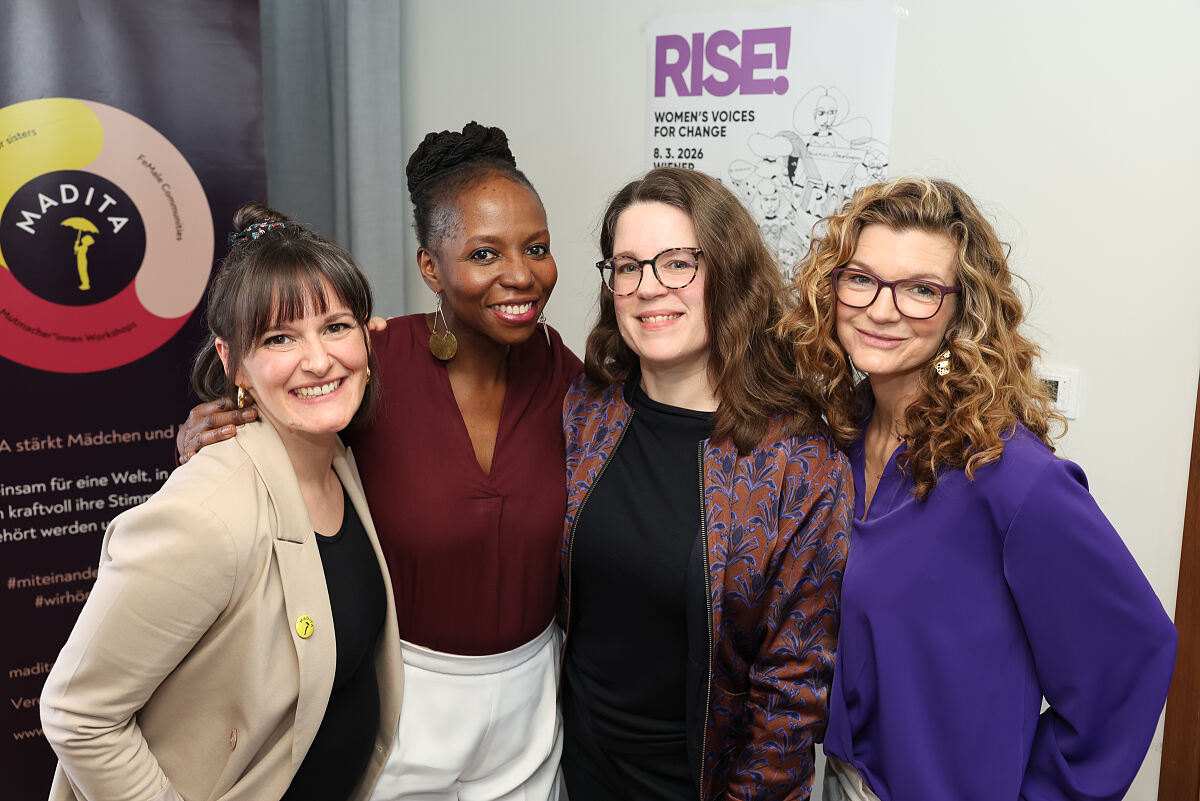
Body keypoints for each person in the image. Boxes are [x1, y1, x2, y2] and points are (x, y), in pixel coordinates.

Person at [175, 123, 581, 800]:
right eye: (485, 252)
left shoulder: (560, 369)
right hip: (400, 691)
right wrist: (214, 432)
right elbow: (273, 409)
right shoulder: (372, 364)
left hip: (531, 697)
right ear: (431, 267)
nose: (521, 273)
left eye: (536, 248)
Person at [777, 176, 1177, 801]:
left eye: (920, 290)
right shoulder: (838, 440)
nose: (882, 310)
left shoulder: (1011, 476)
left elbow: (1132, 655)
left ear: (963, 308)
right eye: (860, 278)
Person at [41, 203, 403, 801]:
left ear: (367, 333)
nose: (318, 360)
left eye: (336, 326)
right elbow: (77, 714)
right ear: (233, 361)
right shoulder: (206, 514)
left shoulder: (335, 457)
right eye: (279, 338)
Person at [559, 166, 853, 800]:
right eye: (628, 267)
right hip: (576, 767)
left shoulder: (795, 461)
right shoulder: (586, 411)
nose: (648, 288)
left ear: (728, 274)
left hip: (701, 783)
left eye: (677, 264)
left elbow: (792, 691)